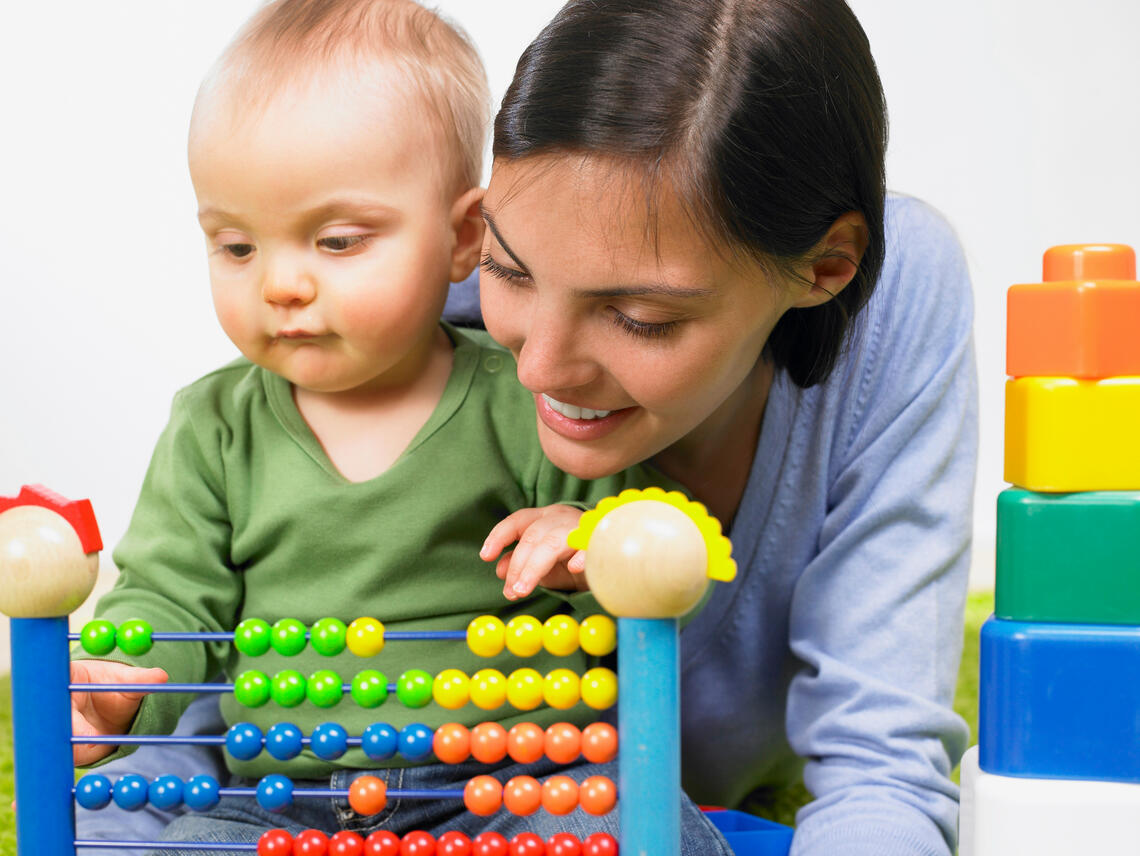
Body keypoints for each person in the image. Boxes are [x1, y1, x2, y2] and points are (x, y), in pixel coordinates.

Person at [81, 1, 978, 854]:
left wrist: (597, 545)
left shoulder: (890, 310)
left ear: (824, 267)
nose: (538, 372)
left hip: (521, 790)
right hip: (297, 790)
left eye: (639, 315)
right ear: (479, 237)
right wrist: (117, 704)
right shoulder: (325, 355)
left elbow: (878, 760)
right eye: (511, 272)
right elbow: (186, 616)